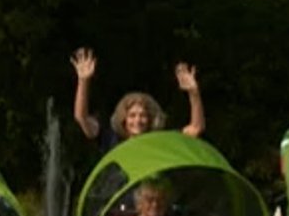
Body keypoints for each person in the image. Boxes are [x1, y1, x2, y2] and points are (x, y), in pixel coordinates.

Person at [70, 49, 203, 151]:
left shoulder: (161, 142)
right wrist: (83, 81)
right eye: (132, 115)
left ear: (150, 118)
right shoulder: (111, 139)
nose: (137, 121)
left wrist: (194, 93)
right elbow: (81, 117)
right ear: (124, 119)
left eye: (143, 115)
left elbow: (196, 128)